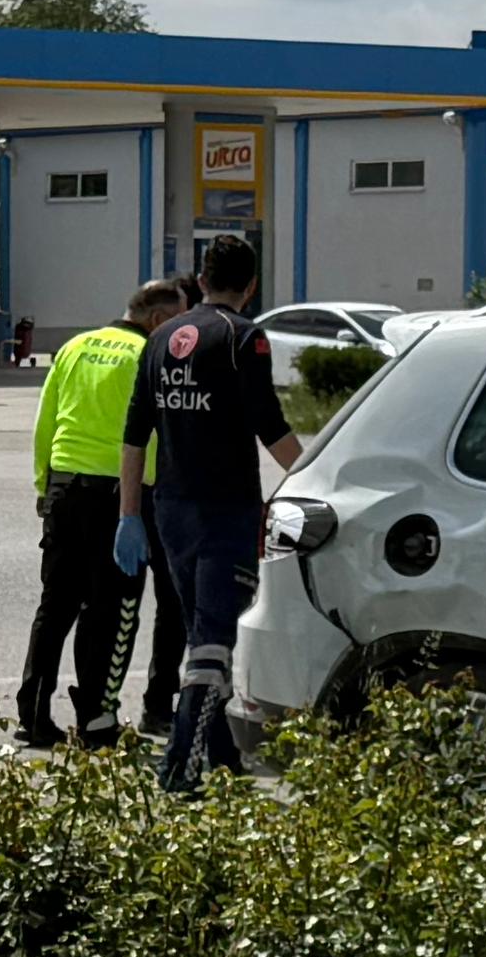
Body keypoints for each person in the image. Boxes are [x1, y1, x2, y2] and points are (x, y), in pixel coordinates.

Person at [120, 242, 305, 794]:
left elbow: (134, 436)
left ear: (201, 280)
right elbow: (270, 426)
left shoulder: (159, 339)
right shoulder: (244, 338)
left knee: (203, 635)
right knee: (214, 642)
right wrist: (316, 478)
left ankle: (225, 763)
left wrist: (130, 515)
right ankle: (180, 769)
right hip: (226, 513)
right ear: (251, 287)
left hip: (170, 512)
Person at [15, 283, 178, 745]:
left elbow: (46, 421)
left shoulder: (74, 346)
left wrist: (43, 485)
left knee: (55, 604)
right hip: (120, 495)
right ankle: (96, 719)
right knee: (113, 610)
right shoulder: (149, 355)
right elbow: (159, 433)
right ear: (157, 320)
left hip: (65, 484)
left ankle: (33, 715)